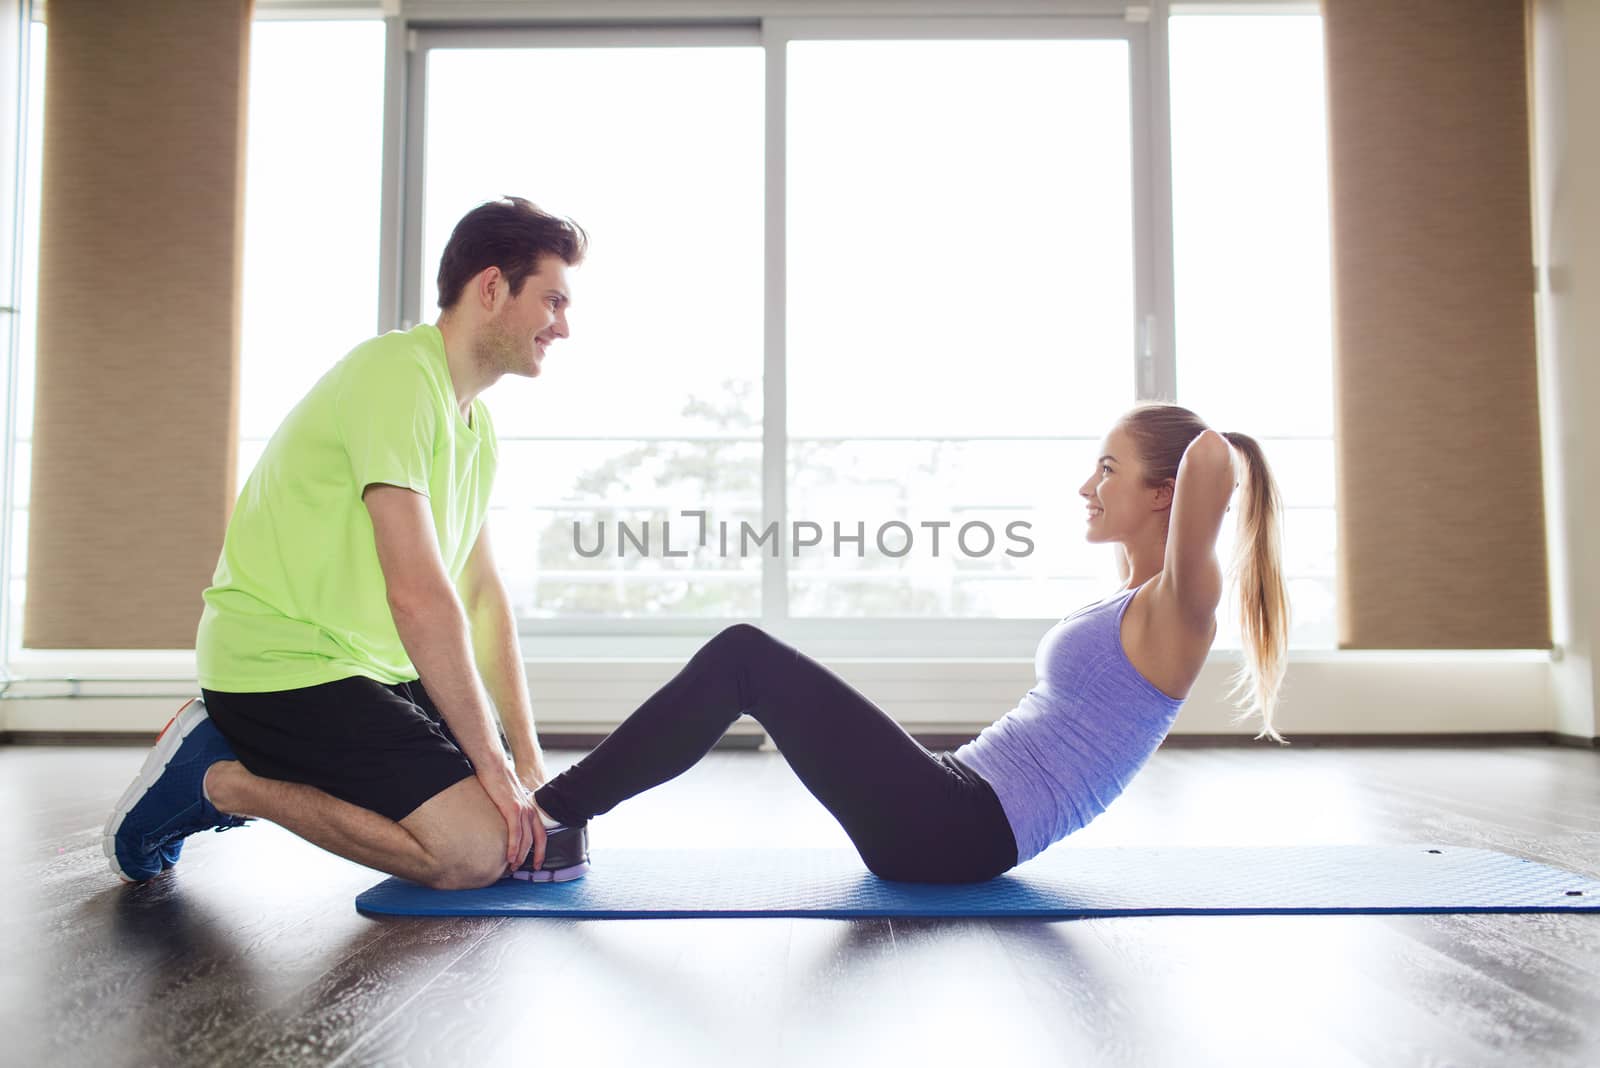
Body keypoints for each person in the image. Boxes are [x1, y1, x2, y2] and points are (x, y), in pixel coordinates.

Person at [526, 403, 1289, 883]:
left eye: (1108, 468)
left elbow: (1213, 456)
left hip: (958, 831)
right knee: (747, 658)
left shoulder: (1182, 608)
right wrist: (1151, 458)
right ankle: (559, 814)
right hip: (953, 804)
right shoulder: (1130, 599)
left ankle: (550, 817)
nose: (1086, 485)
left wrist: (1208, 439)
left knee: (744, 656)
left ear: (1166, 493)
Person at [104, 197, 590, 889]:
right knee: (475, 853)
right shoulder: (396, 376)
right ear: (491, 288)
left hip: (369, 670)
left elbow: (480, 599)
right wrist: (493, 767)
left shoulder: (474, 430)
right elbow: (420, 594)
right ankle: (218, 778)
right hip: (281, 663)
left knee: (511, 814)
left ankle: (252, 762)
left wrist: (527, 765)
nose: (563, 327)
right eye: (552, 301)